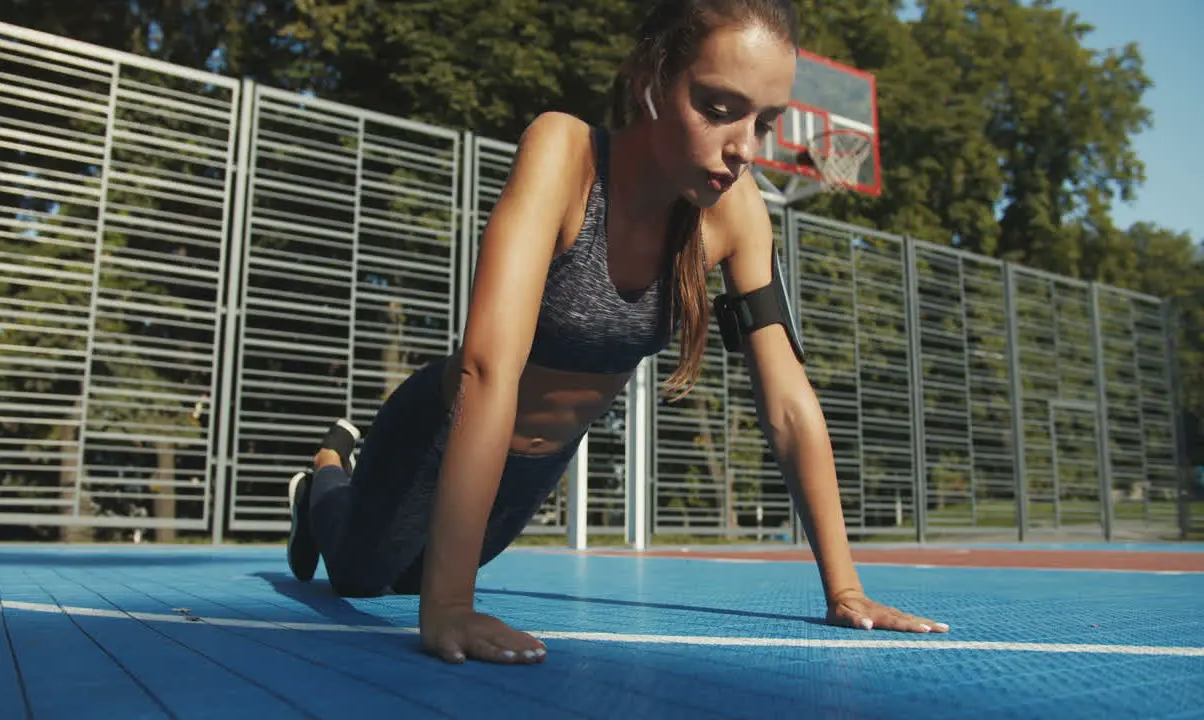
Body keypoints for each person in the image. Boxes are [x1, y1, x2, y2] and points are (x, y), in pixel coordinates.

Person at [285, 0, 948, 666]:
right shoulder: (565, 153)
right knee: (361, 578)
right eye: (719, 109)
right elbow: (487, 369)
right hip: (443, 430)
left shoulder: (738, 215)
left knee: (408, 579)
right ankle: (324, 476)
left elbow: (787, 404)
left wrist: (846, 589)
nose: (745, 148)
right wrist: (452, 607)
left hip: (533, 466)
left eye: (765, 122)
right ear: (650, 82)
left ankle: (353, 505)